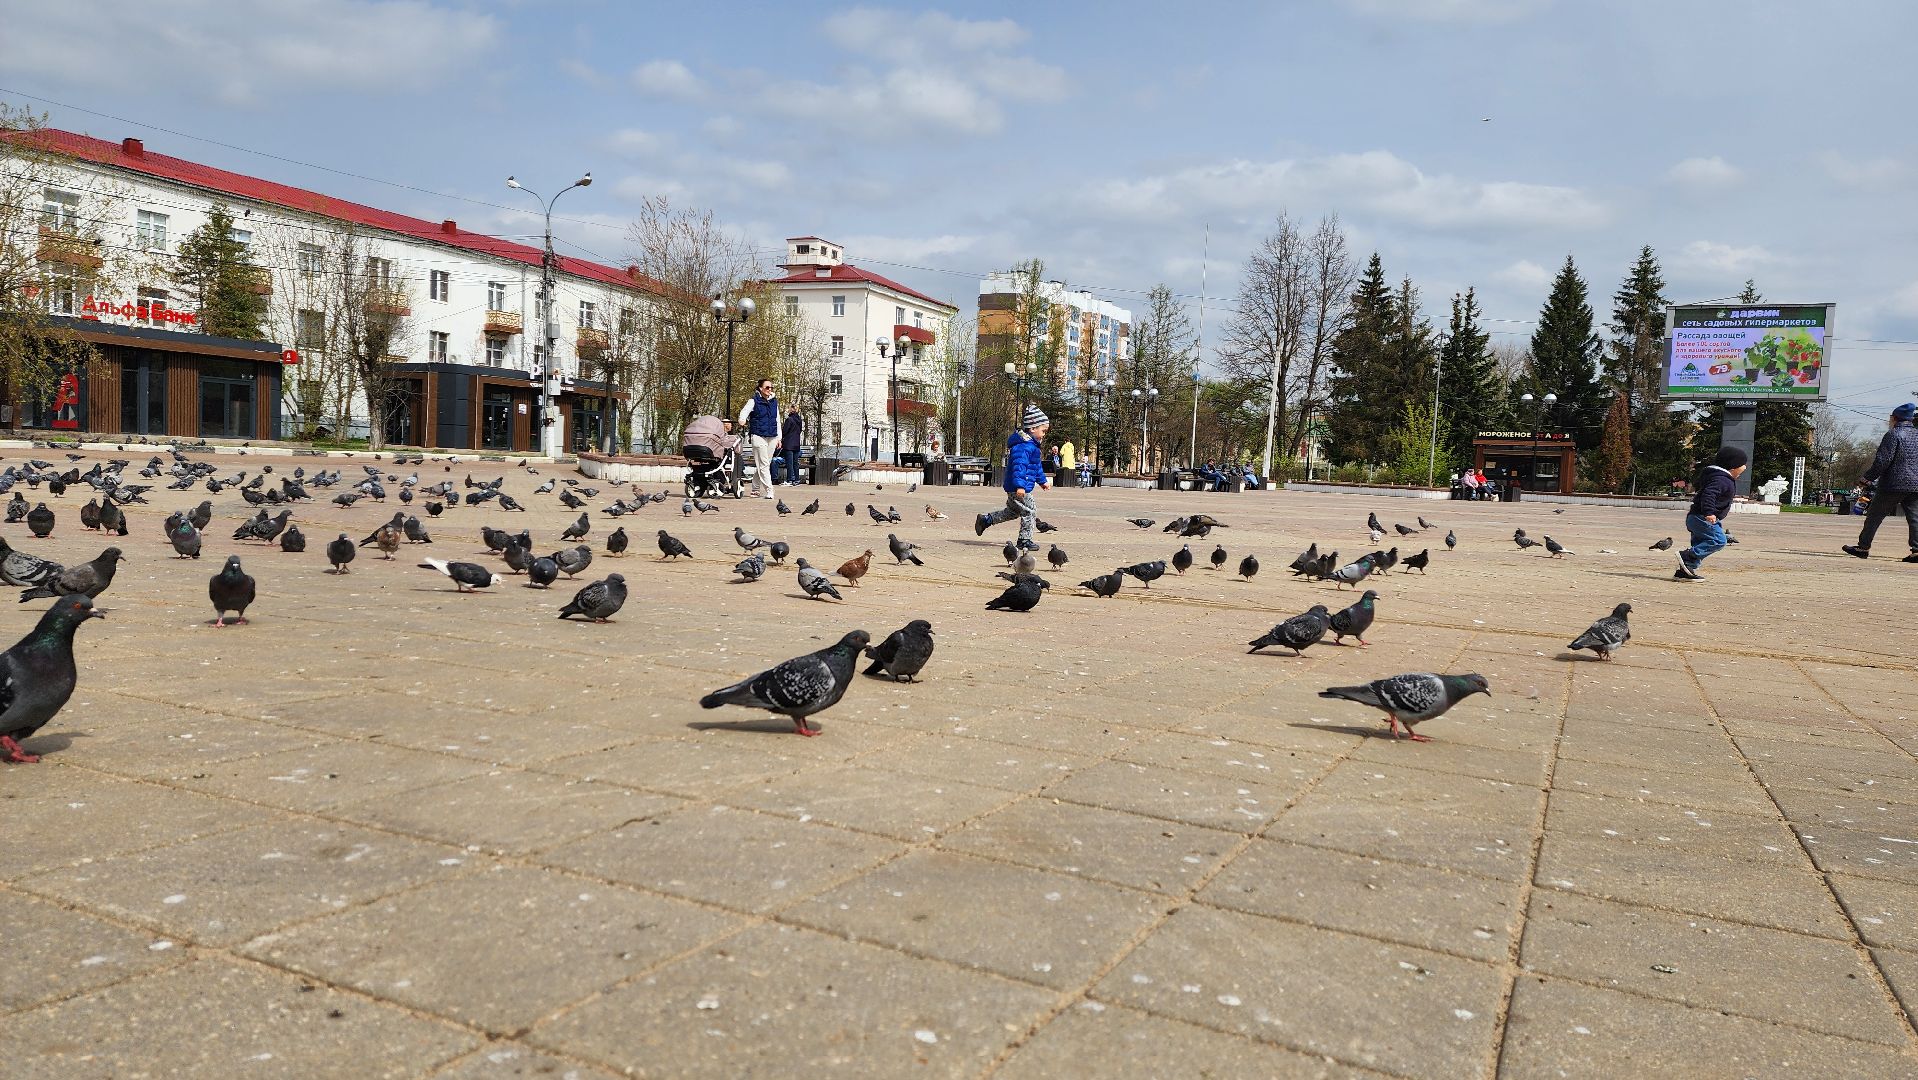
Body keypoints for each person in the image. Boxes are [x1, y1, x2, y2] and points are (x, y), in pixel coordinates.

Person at [1843, 402, 1918, 562]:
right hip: (1916, 484)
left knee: (1874, 516)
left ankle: (1863, 547)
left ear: (1895, 418)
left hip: (1893, 484)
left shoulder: (1893, 434)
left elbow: (1882, 461)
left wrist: (1867, 478)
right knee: (1915, 517)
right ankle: (1917, 551)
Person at [975, 405, 1050, 551]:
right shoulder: (1024, 447)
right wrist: (1020, 486)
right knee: (1030, 511)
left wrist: (1042, 481)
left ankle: (986, 519)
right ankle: (1024, 540)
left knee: (1012, 512)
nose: (1044, 434)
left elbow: (1035, 466)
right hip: (1019, 488)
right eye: (1043, 431)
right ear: (1033, 428)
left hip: (1016, 486)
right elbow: (1019, 467)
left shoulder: (1031, 446)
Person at [1676, 446, 1748, 580]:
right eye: (1741, 469)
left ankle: (1685, 571)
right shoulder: (1721, 479)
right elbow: (1708, 495)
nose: (1742, 472)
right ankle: (1687, 555)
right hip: (1703, 517)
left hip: (1697, 517)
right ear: (1732, 467)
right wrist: (1709, 512)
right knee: (1719, 540)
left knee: (1700, 543)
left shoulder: (1717, 477)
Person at [737, 378, 780, 499]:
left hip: (772, 436)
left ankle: (755, 488)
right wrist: (742, 419)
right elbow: (744, 411)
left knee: (764, 464)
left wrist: (779, 438)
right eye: (767, 387)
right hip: (758, 435)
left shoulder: (774, 402)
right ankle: (769, 490)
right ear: (760, 388)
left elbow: (778, 420)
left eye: (771, 387)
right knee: (764, 464)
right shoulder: (753, 400)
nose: (769, 389)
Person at [780, 405, 804, 487]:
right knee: (795, 463)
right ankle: (796, 479)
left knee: (789, 463)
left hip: (789, 444)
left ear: (792, 410)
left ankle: (790, 479)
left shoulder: (789, 419)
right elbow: (800, 430)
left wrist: (782, 438)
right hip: (796, 444)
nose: (788, 410)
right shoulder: (799, 420)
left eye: (789, 408)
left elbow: (784, 431)